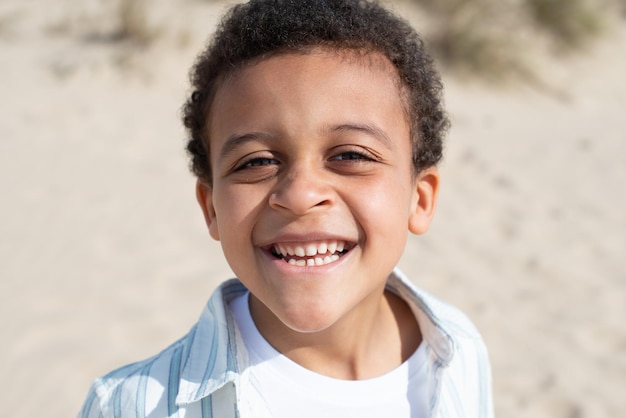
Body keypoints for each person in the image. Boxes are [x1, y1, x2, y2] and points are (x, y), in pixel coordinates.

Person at [77, 0, 494, 417]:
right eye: (256, 162)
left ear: (419, 199)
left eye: (350, 155)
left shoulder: (459, 349)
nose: (299, 194)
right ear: (212, 209)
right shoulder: (129, 406)